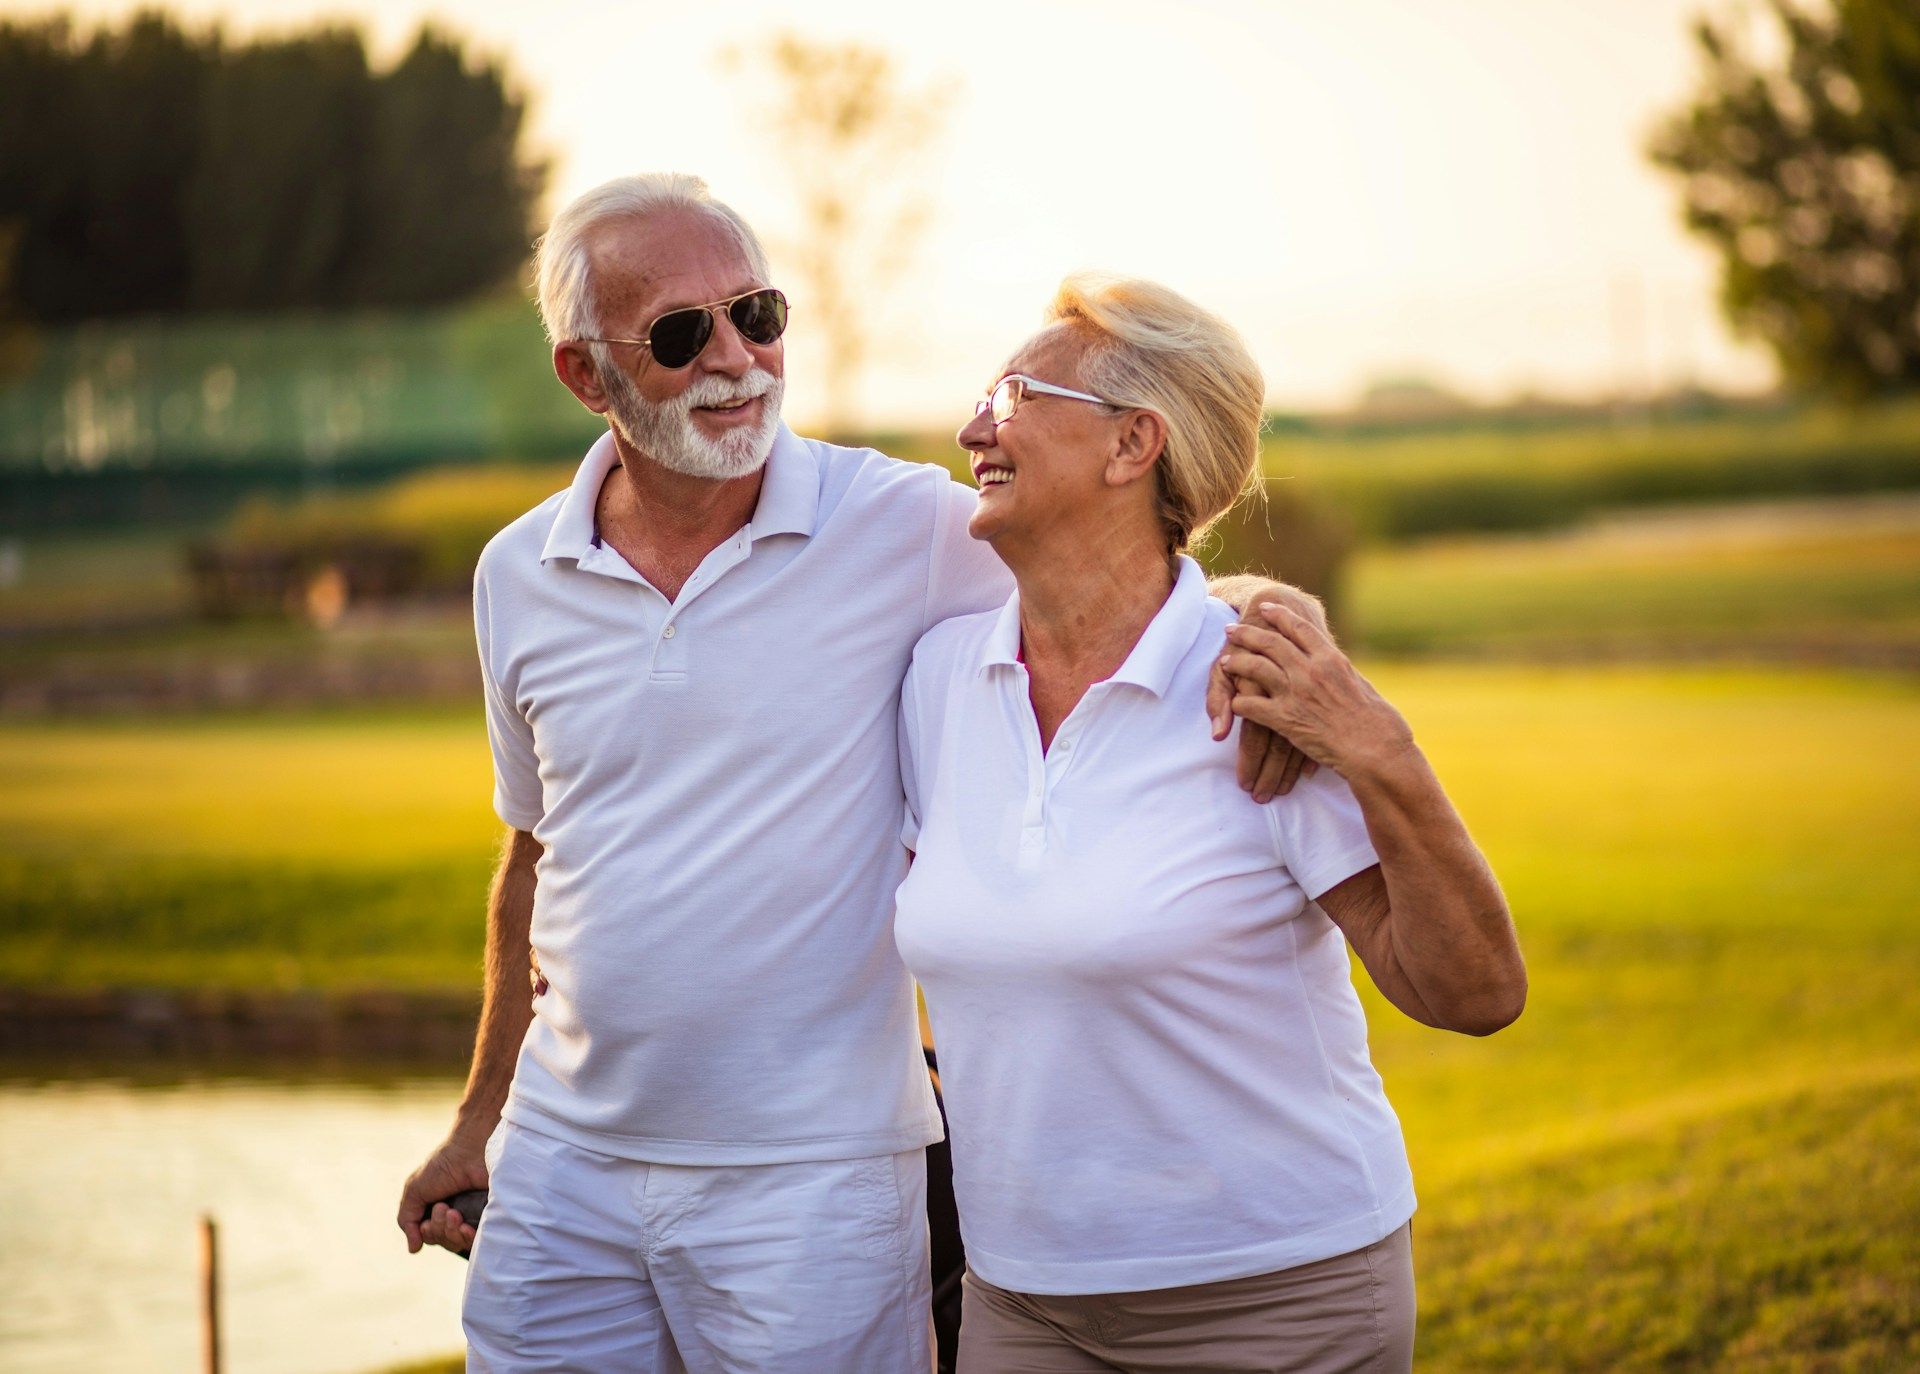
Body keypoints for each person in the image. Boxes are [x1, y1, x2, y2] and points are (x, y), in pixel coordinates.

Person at [393, 174, 1314, 1373]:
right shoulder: (516, 574)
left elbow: (1125, 575)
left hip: (815, 1182)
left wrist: (1268, 621)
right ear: (586, 374)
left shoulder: (902, 527)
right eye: (682, 334)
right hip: (564, 1167)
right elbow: (532, 859)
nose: (737, 358)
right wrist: (481, 1120)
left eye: (758, 314)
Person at [894, 275, 1529, 1373]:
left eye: (1011, 394)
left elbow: (1472, 994)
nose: (971, 428)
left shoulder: (1265, 687)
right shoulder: (935, 678)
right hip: (1022, 1300)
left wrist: (1383, 753)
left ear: (1134, 443)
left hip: (1278, 1297)